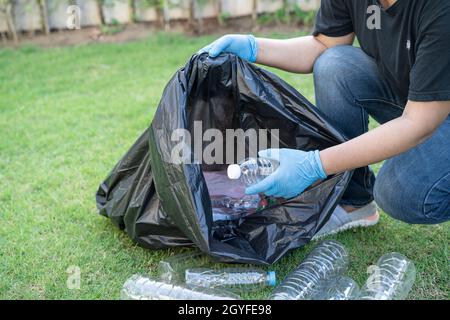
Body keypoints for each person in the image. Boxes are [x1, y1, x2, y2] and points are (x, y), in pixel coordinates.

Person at [199, 0, 450, 237]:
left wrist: (315, 165)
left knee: (399, 192)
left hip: (429, 112)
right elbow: (324, 45)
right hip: (418, 99)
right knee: (335, 64)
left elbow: (419, 123)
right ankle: (353, 202)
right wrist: (253, 46)